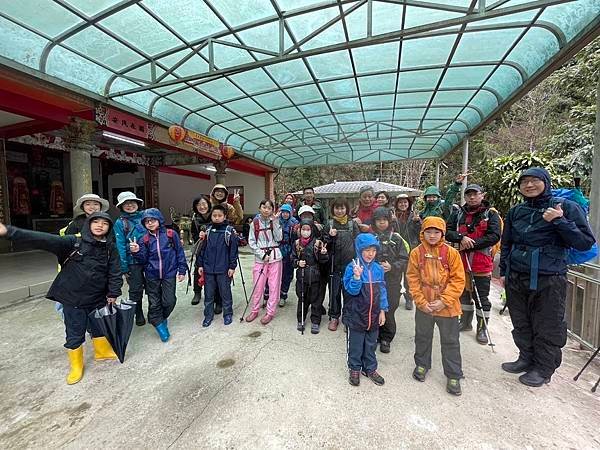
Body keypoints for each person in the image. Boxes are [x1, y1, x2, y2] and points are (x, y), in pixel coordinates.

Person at [499, 167, 595, 387]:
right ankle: (525, 358)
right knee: (521, 321)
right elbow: (507, 243)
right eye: (524, 182)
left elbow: (584, 242)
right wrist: (504, 271)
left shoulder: (566, 207)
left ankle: (543, 369)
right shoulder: (516, 211)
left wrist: (559, 221)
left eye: (534, 181)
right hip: (517, 275)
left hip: (549, 277)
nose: (529, 185)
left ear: (546, 182)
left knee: (547, 323)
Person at [0, 213, 122, 385]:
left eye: (104, 223)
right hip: (73, 298)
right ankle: (76, 366)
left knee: (99, 327)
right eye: (95, 222)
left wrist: (113, 293)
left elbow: (115, 272)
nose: (100, 225)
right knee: (75, 332)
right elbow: (44, 239)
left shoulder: (110, 248)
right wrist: (9, 232)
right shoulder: (73, 242)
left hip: (98, 298)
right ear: (88, 224)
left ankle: (102, 352)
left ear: (109, 228)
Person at [406, 216, 465, 396]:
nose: (432, 235)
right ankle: (422, 364)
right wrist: (421, 302)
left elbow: (458, 280)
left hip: (447, 307)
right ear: (422, 233)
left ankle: (453, 374)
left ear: (442, 234)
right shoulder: (417, 252)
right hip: (425, 306)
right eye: (428, 232)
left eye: (436, 232)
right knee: (422, 336)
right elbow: (412, 278)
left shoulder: (451, 253)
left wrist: (443, 301)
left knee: (451, 341)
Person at [445, 184, 501, 344]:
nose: (471, 197)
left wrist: (472, 243)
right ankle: (466, 322)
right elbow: (448, 231)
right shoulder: (457, 213)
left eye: (475, 194)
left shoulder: (491, 214)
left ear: (482, 195)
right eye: (468, 194)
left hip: (481, 264)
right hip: (460, 262)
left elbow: (494, 236)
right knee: (463, 294)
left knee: (480, 297)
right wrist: (460, 238)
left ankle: (482, 328)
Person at [130, 208, 188, 342]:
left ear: (159, 220)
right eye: (147, 221)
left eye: (153, 220)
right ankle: (159, 324)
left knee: (169, 300)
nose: (150, 223)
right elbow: (143, 259)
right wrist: (137, 251)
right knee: (154, 302)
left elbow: (179, 252)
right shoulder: (143, 239)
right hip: (151, 275)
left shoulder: (170, 234)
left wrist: (182, 270)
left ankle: (159, 318)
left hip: (169, 273)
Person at [343, 233, 388, 387]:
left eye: (373, 250)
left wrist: (382, 310)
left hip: (374, 314)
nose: (370, 254)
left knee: (371, 343)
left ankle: (370, 368)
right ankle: (354, 368)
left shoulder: (377, 268)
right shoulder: (352, 267)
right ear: (359, 250)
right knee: (356, 343)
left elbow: (382, 289)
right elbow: (351, 291)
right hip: (356, 314)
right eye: (367, 250)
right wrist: (356, 277)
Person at [371, 207, 410, 354]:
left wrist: (392, 267)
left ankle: (386, 338)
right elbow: (364, 257)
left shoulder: (397, 238)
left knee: (388, 309)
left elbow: (405, 260)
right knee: (374, 308)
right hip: (374, 281)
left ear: (389, 221)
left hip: (392, 281)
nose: (381, 223)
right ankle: (375, 335)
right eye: (378, 220)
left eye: (384, 220)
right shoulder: (371, 238)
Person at [196, 204, 239, 327]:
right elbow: (202, 250)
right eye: (214, 215)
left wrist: (232, 266)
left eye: (220, 215)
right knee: (208, 295)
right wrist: (200, 265)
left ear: (224, 216)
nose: (216, 218)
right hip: (208, 269)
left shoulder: (229, 231)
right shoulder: (207, 231)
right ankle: (208, 316)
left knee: (225, 293)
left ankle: (228, 314)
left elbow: (233, 251)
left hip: (223, 269)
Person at [323, 197, 359, 331]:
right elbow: (324, 244)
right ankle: (334, 316)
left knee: (349, 292)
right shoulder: (329, 224)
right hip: (333, 264)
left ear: (346, 209)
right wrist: (329, 237)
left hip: (349, 265)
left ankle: (348, 317)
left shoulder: (352, 224)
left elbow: (358, 242)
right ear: (333, 209)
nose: (339, 210)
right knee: (334, 292)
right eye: (337, 208)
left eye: (342, 208)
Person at [246, 199, 283, 325]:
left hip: (275, 258)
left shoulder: (275, 222)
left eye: (269, 208)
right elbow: (251, 242)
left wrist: (276, 222)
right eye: (264, 207)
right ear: (260, 208)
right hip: (260, 259)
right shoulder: (254, 223)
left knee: (274, 286)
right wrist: (262, 255)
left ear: (272, 210)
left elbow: (279, 238)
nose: (266, 210)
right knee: (258, 285)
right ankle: (255, 310)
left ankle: (270, 312)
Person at [113, 191, 147, 326]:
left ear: (138, 204)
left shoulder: (146, 217)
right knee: (136, 289)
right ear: (121, 207)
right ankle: (138, 312)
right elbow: (120, 245)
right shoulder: (120, 223)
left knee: (154, 286)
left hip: (149, 258)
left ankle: (155, 311)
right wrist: (124, 266)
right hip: (132, 261)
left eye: (132, 202)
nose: (130, 205)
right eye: (126, 204)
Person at [292, 219, 329, 333]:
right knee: (302, 298)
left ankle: (315, 321)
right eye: (303, 229)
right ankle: (300, 319)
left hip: (315, 276)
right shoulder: (297, 243)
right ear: (300, 230)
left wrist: (324, 254)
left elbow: (323, 262)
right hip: (302, 276)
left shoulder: (318, 243)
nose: (305, 232)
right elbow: (292, 259)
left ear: (312, 230)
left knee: (316, 300)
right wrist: (298, 263)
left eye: (308, 229)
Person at [394, 193, 421, 310]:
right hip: (396, 249)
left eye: (405, 202)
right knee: (395, 274)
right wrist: (392, 221)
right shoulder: (393, 215)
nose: (403, 204)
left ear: (409, 204)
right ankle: (394, 296)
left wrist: (417, 222)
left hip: (411, 249)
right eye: (400, 202)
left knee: (409, 276)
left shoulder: (413, 216)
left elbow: (420, 233)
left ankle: (409, 298)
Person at [189, 195, 212, 306]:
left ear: (208, 204)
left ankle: (212, 292)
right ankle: (197, 292)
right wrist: (198, 236)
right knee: (198, 269)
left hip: (214, 248)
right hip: (201, 247)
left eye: (204, 204)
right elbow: (193, 234)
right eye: (199, 205)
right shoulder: (195, 218)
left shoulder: (214, 215)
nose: (202, 207)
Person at [278, 203, 298, 307]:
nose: (285, 214)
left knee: (287, 274)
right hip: (278, 250)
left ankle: (283, 296)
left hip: (289, 251)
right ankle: (272, 294)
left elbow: (296, 239)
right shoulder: (276, 221)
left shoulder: (295, 223)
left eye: (287, 212)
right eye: (283, 212)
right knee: (276, 275)